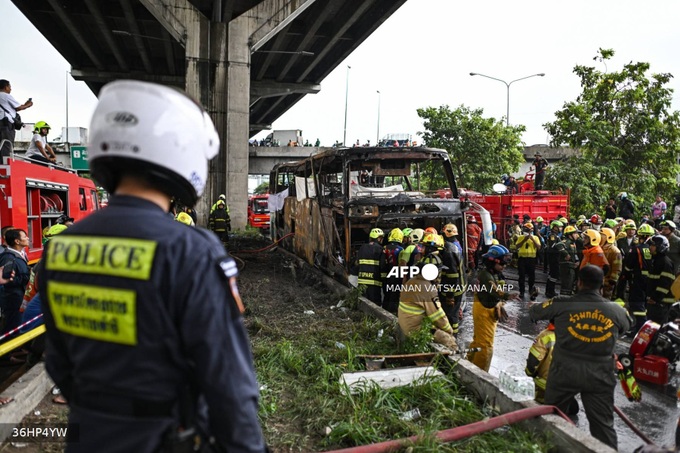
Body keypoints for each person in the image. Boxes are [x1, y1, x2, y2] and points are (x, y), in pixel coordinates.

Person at [38, 80, 267, 452]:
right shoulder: (190, 251)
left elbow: (58, 361)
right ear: (181, 151)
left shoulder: (61, 247)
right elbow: (228, 385)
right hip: (162, 438)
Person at [529, 265, 631, 450]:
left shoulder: (561, 303)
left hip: (564, 371)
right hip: (600, 375)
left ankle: (547, 448)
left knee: (552, 418)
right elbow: (626, 326)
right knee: (603, 427)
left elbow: (535, 313)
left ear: (579, 282)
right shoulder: (616, 310)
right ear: (601, 285)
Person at [467, 245, 519, 371]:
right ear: (493, 262)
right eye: (502, 264)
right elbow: (494, 290)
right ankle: (479, 373)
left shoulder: (492, 273)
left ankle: (468, 364)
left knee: (478, 340)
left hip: (486, 309)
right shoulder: (486, 276)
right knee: (485, 345)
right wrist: (507, 296)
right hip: (484, 311)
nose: (504, 266)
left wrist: (500, 303)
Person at [398, 254, 458, 352]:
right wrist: (449, 332)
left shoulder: (411, 281)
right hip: (414, 330)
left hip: (405, 324)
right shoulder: (428, 289)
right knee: (448, 340)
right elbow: (438, 316)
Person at [621, 223, 655, 333]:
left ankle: (640, 329)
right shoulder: (653, 250)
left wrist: (626, 275)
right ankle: (639, 326)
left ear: (640, 235)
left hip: (637, 280)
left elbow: (628, 266)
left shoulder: (635, 249)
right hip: (649, 281)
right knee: (644, 305)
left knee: (637, 304)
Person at [0, 229, 30, 339]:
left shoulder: (19, 254)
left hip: (18, 295)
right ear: (17, 241)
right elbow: (6, 279)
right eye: (25, 237)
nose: (28, 238)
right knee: (11, 325)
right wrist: (27, 277)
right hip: (12, 298)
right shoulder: (8, 257)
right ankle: (6, 354)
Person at [439, 223, 466, 334]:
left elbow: (452, 275)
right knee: (453, 312)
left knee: (450, 315)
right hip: (458, 286)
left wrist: (450, 295)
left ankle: (452, 337)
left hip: (453, 288)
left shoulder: (448, 249)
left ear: (446, 233)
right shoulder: (455, 245)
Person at [646, 234, 675, 325]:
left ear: (660, 247)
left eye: (653, 245)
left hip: (661, 302)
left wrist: (655, 298)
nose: (650, 247)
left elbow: (665, 284)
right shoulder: (656, 260)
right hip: (655, 300)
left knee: (657, 327)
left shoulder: (665, 262)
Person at [0, 79, 33, 157]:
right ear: (5, 87)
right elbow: (18, 107)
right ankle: (4, 164)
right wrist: (28, 104)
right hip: (6, 124)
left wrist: (24, 105)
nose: (10, 89)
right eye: (9, 86)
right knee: (6, 144)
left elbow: (12, 108)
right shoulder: (5, 95)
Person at [352, 228, 385, 305]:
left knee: (362, 304)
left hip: (362, 281)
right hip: (374, 282)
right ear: (379, 238)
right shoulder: (380, 249)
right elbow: (382, 266)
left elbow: (357, 262)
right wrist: (384, 280)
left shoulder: (362, 247)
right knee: (375, 305)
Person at [380, 228, 404, 313]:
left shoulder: (384, 248)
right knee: (394, 295)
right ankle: (393, 313)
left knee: (386, 294)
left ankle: (383, 311)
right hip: (396, 276)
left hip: (385, 275)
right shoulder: (401, 249)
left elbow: (382, 262)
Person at [515, 222, 541, 300]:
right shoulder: (520, 237)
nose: (528, 232)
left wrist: (532, 239)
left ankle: (531, 290)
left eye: (530, 230)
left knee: (531, 276)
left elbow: (539, 247)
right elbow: (517, 246)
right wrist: (524, 239)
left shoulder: (535, 237)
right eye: (527, 230)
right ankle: (522, 292)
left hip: (531, 259)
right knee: (521, 276)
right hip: (522, 259)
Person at [554, 225, 579, 295]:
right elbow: (558, 245)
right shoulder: (567, 241)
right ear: (570, 235)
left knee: (570, 284)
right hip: (566, 266)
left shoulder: (573, 243)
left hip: (571, 266)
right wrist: (566, 254)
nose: (577, 235)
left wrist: (577, 261)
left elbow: (575, 254)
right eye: (575, 233)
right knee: (566, 284)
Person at [600, 228, 622, 300]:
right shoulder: (599, 248)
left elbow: (617, 269)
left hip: (607, 284)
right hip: (598, 283)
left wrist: (611, 282)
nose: (599, 237)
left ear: (608, 237)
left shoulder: (615, 251)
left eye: (602, 235)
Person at [544, 221, 563, 298]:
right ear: (554, 227)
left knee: (552, 274)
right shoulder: (553, 236)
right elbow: (554, 246)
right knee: (554, 274)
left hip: (554, 257)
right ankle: (550, 291)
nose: (561, 228)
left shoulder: (556, 236)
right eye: (559, 227)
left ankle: (549, 290)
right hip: (553, 257)